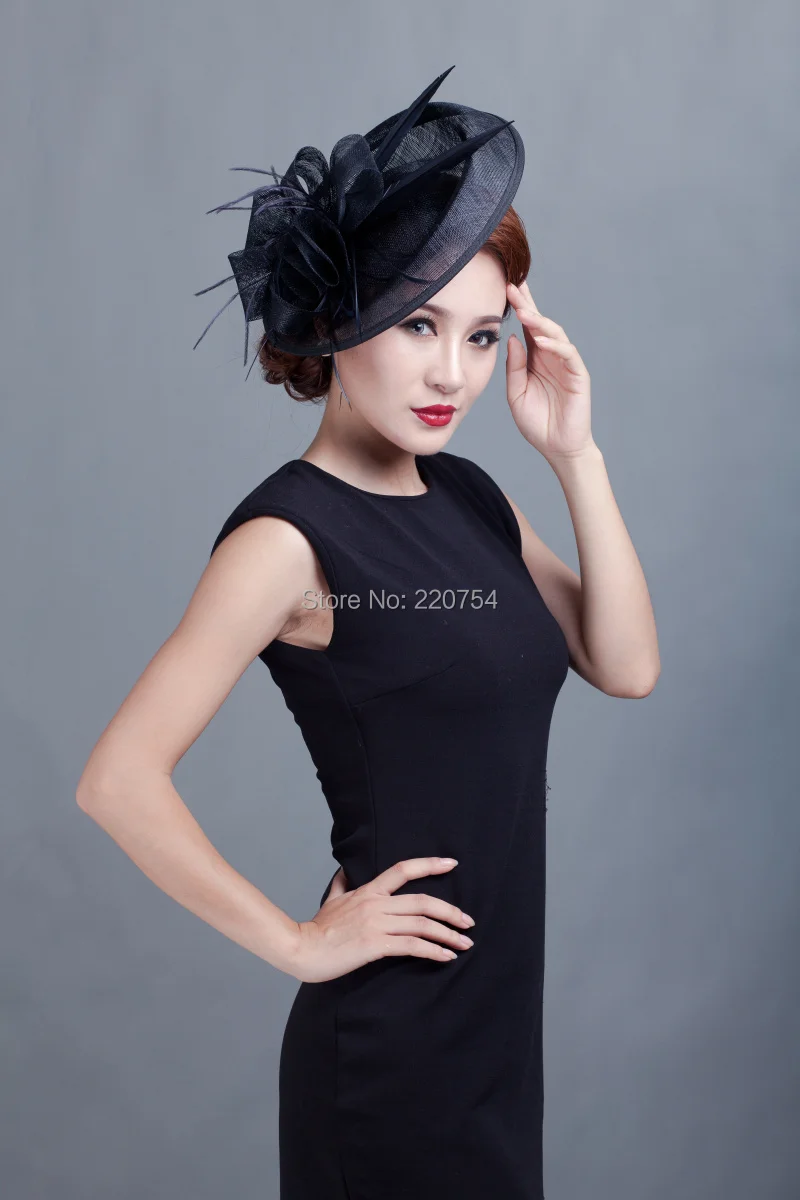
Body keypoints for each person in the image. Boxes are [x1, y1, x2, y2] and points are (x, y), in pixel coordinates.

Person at [76, 66, 660, 1200]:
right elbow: (117, 781)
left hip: (494, 1039)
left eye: (483, 337)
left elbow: (626, 666)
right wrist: (299, 943)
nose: (452, 373)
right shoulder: (286, 540)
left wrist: (574, 454)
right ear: (340, 318)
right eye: (419, 322)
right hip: (392, 1058)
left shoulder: (471, 498)